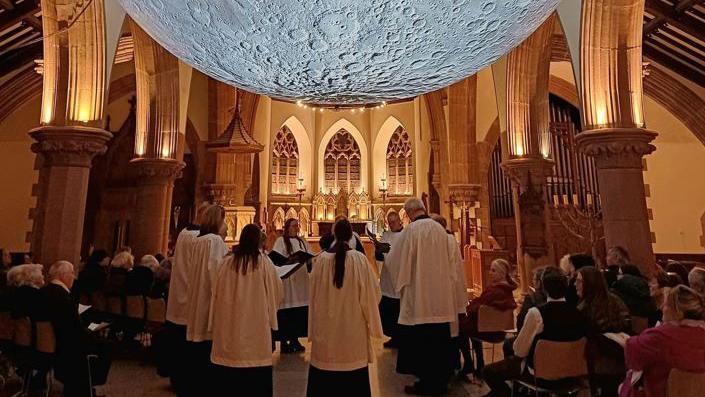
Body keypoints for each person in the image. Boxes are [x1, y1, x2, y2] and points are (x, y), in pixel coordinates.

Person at [388, 198, 460, 395]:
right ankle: (439, 381)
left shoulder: (411, 231)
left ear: (410, 213)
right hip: (441, 298)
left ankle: (426, 382)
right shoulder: (441, 231)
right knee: (439, 342)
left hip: (420, 297)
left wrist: (401, 284)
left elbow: (395, 260)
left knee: (423, 344)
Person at [306, 218, 383, 397]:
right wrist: (369, 318)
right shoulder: (359, 260)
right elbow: (374, 293)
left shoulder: (322, 260)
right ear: (351, 235)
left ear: (333, 234)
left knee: (326, 365)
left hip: (326, 332)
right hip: (352, 333)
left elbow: (313, 296)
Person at [481, 270, 586, 397]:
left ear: (544, 289)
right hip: (572, 374)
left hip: (541, 374)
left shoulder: (537, 313)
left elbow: (519, 350)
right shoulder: (579, 313)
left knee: (488, 371)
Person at [210, 224, 283, 396]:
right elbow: (277, 292)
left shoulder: (226, 263)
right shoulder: (264, 263)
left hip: (229, 329)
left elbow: (216, 292)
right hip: (255, 332)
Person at [41, 261, 112, 397]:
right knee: (106, 346)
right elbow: (75, 330)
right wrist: (92, 332)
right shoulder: (64, 297)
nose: (74, 277)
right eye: (72, 273)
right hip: (68, 344)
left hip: (52, 341)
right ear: (63, 275)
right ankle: (89, 385)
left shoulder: (44, 291)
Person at [620, 285, 705, 397]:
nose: (661, 308)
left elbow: (632, 355)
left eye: (665, 304)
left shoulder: (659, 336)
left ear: (675, 310)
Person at [161, 202, 210, 392]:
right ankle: (190, 380)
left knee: (178, 341)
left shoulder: (183, 233)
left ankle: (177, 378)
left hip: (178, 294)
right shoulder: (200, 239)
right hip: (191, 297)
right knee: (188, 343)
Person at [183, 205, 229, 396]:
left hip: (196, 298)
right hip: (209, 300)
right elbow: (217, 272)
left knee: (197, 341)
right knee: (208, 343)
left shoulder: (198, 240)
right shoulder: (215, 241)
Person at [429, 213, 469, 376]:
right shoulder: (449, 239)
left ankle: (455, 364)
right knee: (456, 329)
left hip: (450, 292)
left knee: (454, 331)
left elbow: (447, 268)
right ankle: (461, 363)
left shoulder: (446, 241)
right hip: (454, 292)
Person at [462, 258, 517, 374]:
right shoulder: (508, 291)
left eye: (493, 270)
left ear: (502, 274)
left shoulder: (494, 291)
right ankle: (479, 363)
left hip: (487, 331)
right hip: (500, 331)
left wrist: (470, 306)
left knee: (460, 330)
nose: (490, 273)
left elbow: (475, 309)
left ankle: (469, 363)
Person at [271, 218, 313, 353]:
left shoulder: (303, 242)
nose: (296, 228)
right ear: (287, 227)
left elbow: (311, 258)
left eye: (297, 226)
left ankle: (295, 339)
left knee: (298, 312)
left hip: (301, 282)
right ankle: (284, 342)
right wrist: (289, 261)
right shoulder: (281, 241)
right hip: (288, 281)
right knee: (287, 312)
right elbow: (276, 259)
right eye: (294, 226)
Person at [375, 210, 404, 348]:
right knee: (388, 310)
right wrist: (378, 250)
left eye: (394, 221)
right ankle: (393, 336)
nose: (392, 224)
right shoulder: (386, 235)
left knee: (400, 309)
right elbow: (379, 258)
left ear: (400, 221)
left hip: (401, 277)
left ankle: (402, 337)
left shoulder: (406, 236)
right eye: (390, 222)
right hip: (388, 279)